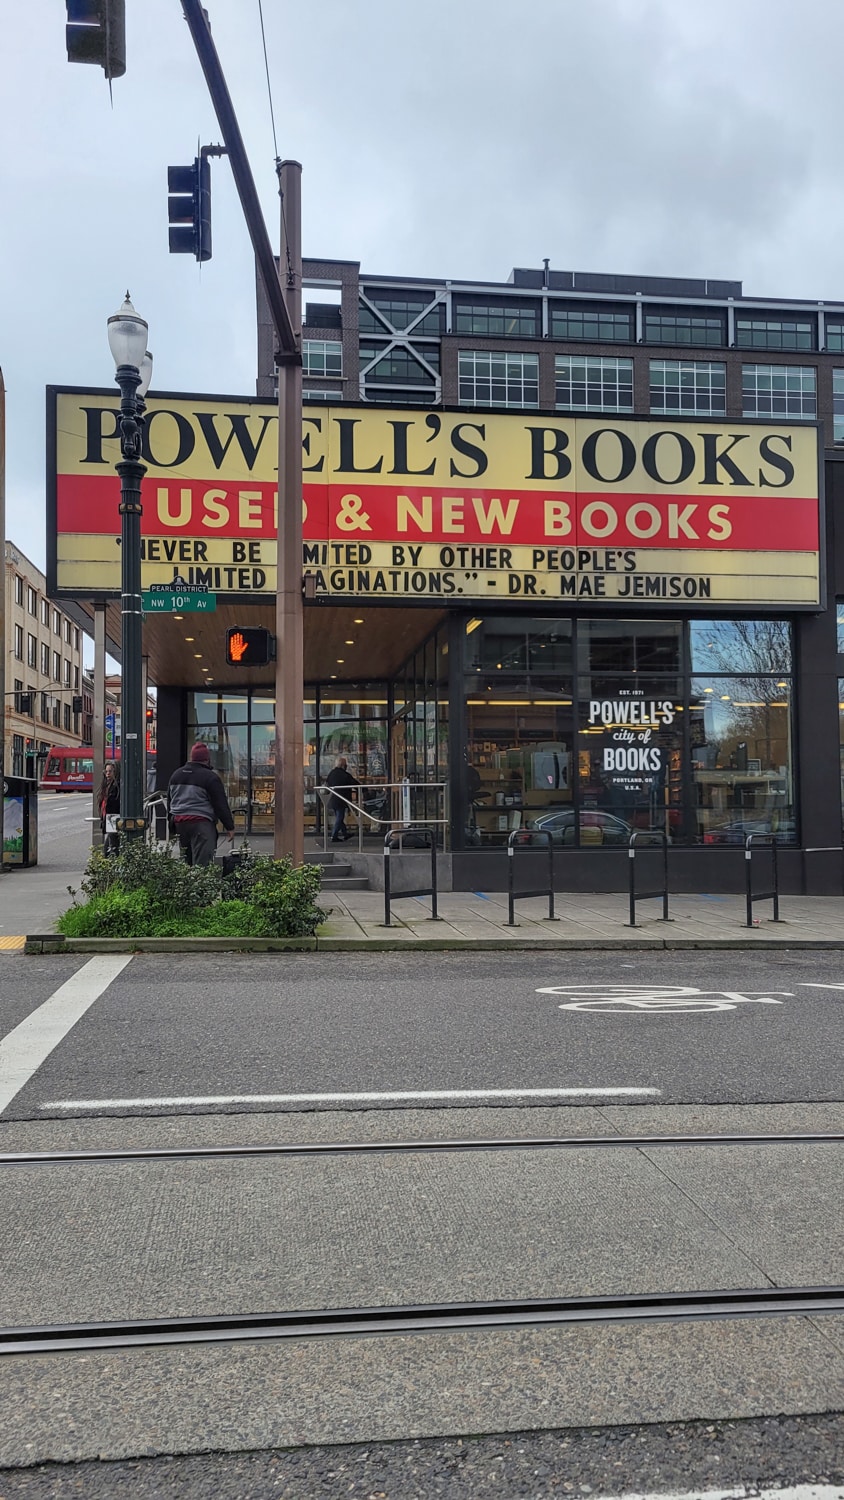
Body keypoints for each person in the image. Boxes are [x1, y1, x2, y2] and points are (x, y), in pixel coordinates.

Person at [167, 742, 235, 867]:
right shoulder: (210, 777)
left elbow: (170, 800)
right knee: (202, 864)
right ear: (207, 759)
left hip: (179, 823)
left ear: (192, 757)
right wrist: (229, 826)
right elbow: (220, 804)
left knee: (187, 862)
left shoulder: (176, 775)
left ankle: (187, 884)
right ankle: (199, 885)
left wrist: (170, 823)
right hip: (201, 823)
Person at [325, 756, 358, 842]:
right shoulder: (344, 774)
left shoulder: (331, 773)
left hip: (333, 798)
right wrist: (364, 790)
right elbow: (354, 783)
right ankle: (334, 835)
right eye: (345, 764)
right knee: (340, 817)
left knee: (339, 817)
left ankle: (345, 833)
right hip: (341, 799)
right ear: (343, 765)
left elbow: (327, 783)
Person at [98, 760, 121, 855]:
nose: (107, 774)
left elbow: (114, 804)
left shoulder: (117, 786)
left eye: (110, 771)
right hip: (110, 818)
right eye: (106, 771)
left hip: (113, 818)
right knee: (110, 847)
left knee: (111, 848)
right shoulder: (107, 786)